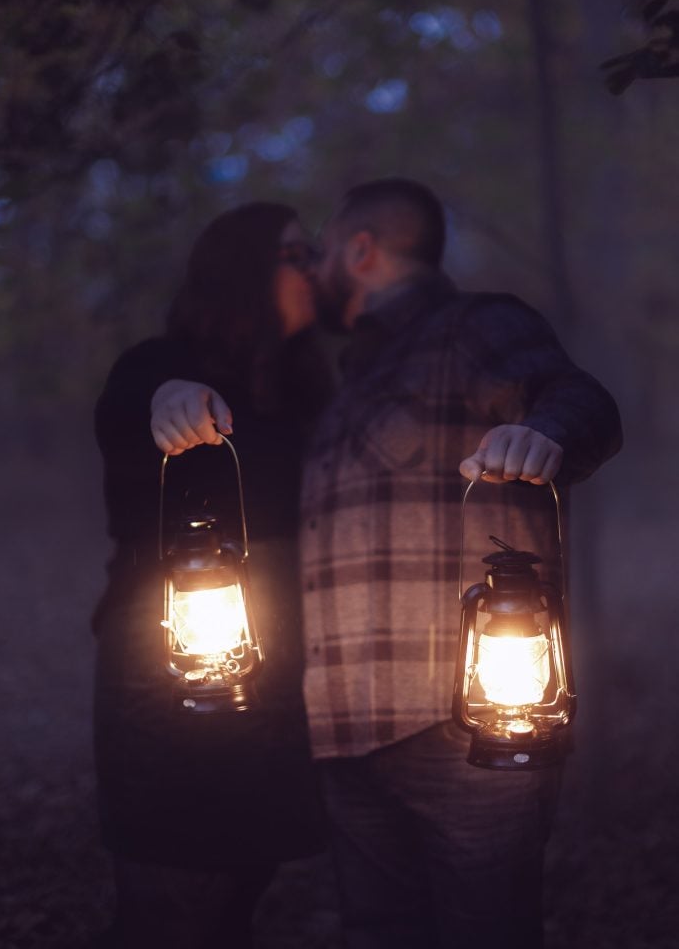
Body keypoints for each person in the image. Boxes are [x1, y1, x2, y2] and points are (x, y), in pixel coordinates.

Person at [148, 178, 623, 949]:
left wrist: (549, 434)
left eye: (323, 250)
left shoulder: (470, 328)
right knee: (379, 931)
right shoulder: (346, 387)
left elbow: (575, 395)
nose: (314, 267)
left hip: (461, 729)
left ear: (360, 251)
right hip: (343, 734)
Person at [93, 202, 333, 949]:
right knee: (172, 885)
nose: (311, 268)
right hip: (169, 672)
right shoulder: (161, 367)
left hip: (280, 674)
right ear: (245, 273)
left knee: (241, 878)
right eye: (295, 254)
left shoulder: (305, 396)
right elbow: (139, 401)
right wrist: (171, 402)